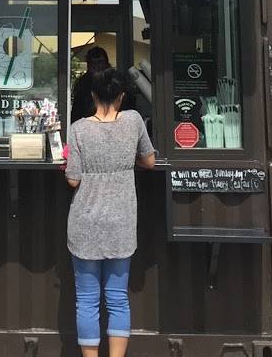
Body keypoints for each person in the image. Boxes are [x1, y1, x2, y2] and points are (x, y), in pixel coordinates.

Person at [65, 67, 156, 357]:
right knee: (118, 299)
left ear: (93, 96)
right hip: (121, 221)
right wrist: (127, 163)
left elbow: (73, 179)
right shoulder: (133, 121)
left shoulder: (78, 129)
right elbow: (150, 161)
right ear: (121, 96)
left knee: (86, 300)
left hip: (85, 222)